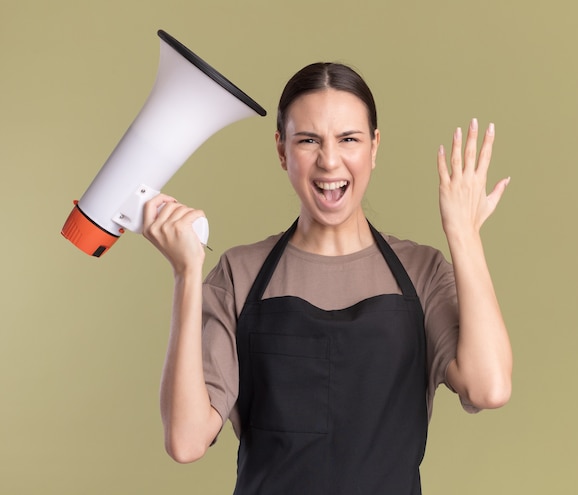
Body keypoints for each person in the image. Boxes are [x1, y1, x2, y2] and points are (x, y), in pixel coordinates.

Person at [142, 62, 512, 495]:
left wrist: (463, 235)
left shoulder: (422, 272)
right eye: (308, 140)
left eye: (349, 139)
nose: (329, 160)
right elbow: (186, 442)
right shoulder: (239, 274)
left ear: (374, 147)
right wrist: (187, 274)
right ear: (281, 149)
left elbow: (489, 388)